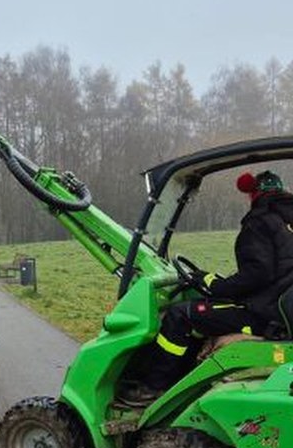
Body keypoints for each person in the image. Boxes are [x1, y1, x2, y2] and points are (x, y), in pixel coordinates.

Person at [119, 170, 293, 407]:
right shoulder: (286, 221)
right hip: (281, 311)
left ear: (253, 194)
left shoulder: (260, 221)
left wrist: (214, 284)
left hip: (267, 316)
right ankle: (186, 379)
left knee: (181, 315)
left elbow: (257, 274)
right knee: (202, 312)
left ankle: (154, 387)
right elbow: (273, 272)